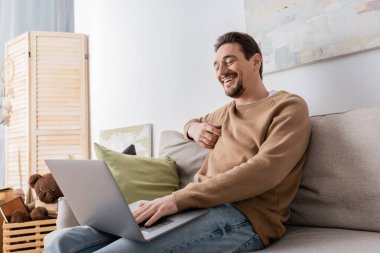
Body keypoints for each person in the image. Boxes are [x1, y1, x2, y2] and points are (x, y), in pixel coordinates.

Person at [44, 31, 311, 253]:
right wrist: (192, 128)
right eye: (217, 66)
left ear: (255, 62)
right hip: (195, 205)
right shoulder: (225, 112)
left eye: (229, 61)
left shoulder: (288, 107)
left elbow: (265, 170)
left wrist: (178, 199)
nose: (221, 71)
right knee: (60, 241)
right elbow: (190, 122)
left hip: (244, 217)